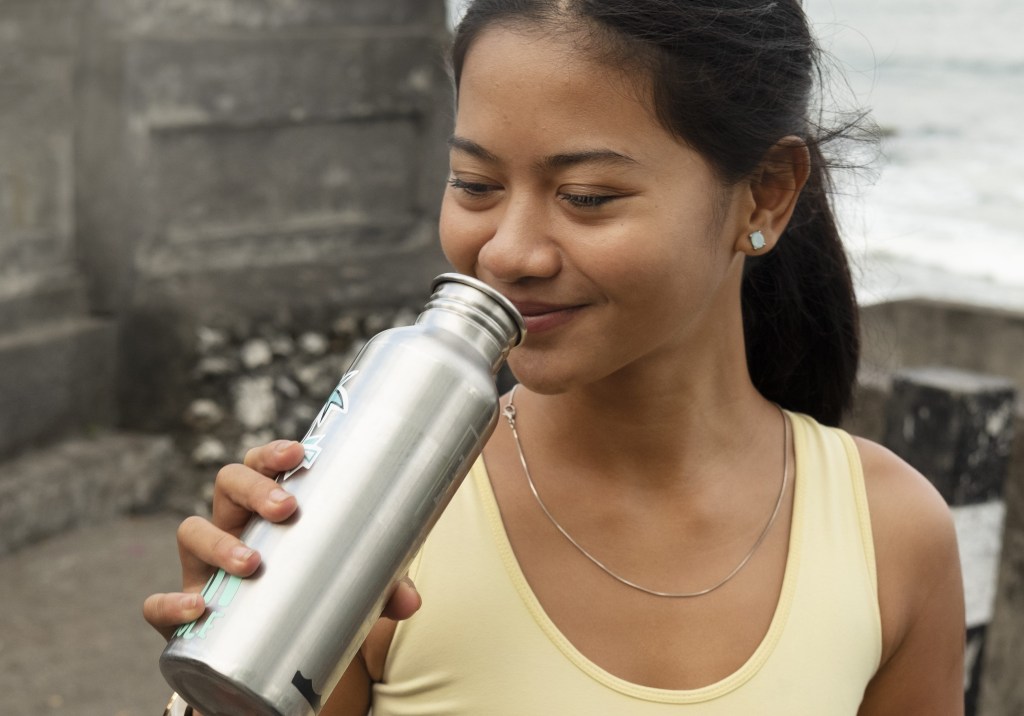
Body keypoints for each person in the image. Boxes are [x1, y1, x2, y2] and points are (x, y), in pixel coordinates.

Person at [144, 0, 966, 713]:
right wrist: (225, 675)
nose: (507, 251)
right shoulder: (366, 521)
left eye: (586, 197)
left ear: (767, 193)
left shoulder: (891, 536)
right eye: (475, 184)